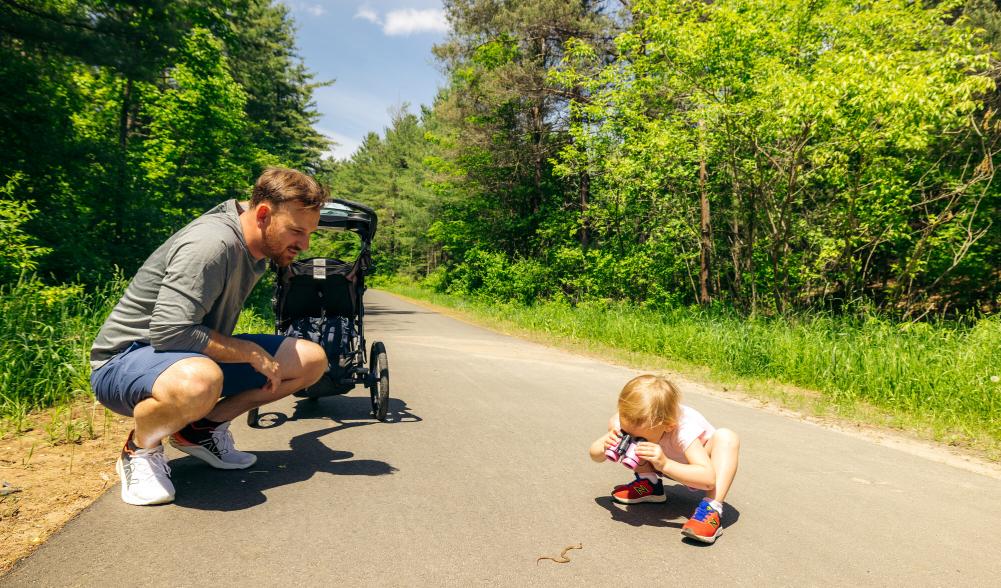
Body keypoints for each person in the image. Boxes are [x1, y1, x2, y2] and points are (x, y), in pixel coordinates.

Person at [89, 167, 330, 506]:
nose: (303, 244)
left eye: (309, 234)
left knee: (310, 360)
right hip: (124, 360)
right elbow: (170, 330)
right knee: (200, 381)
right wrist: (248, 351)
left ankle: (198, 431)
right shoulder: (212, 244)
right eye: (296, 231)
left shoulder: (257, 249)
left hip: (183, 355)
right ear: (262, 214)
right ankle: (139, 450)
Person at [588, 374, 740, 544]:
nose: (629, 436)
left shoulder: (684, 431)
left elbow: (708, 480)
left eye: (638, 435)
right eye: (626, 430)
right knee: (636, 444)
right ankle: (650, 484)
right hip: (661, 462)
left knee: (727, 437)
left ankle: (712, 509)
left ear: (668, 425)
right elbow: (594, 455)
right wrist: (606, 444)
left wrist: (665, 464)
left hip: (697, 468)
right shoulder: (630, 421)